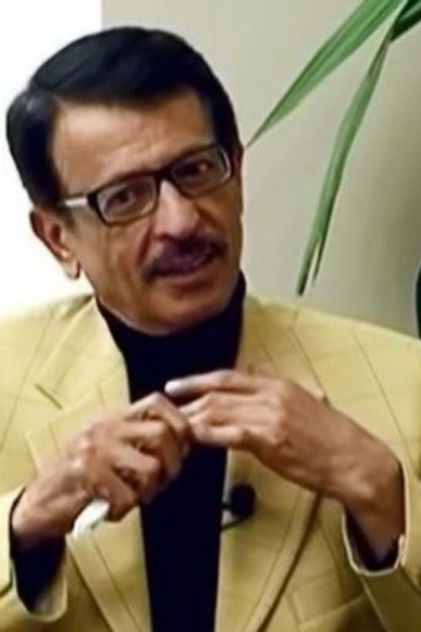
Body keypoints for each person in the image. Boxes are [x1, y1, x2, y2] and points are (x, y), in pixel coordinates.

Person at [0, 25, 420, 632]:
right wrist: (26, 523)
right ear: (58, 237)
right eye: (125, 197)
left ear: (237, 174)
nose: (180, 221)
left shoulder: (403, 383)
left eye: (197, 170)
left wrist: (381, 491)